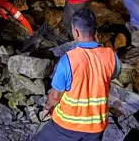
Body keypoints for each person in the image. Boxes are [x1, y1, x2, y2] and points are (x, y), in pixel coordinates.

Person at [35, 7, 118, 141]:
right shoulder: (111, 56)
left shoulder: (68, 60)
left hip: (67, 125)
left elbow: (55, 96)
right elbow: (112, 74)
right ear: (94, 30)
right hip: (96, 126)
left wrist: (48, 108)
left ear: (76, 32)